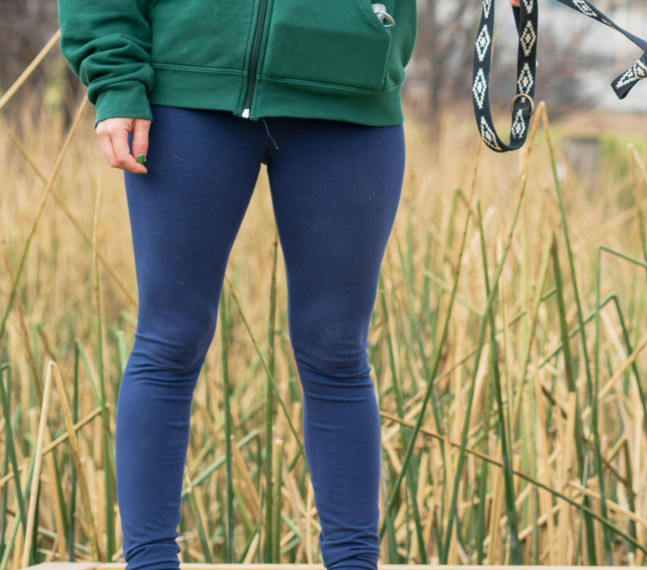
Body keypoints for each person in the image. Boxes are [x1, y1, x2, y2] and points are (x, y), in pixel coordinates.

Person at [54, 0, 518, 567]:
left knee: (336, 350)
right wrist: (116, 79)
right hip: (189, 88)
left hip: (348, 99)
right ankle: (149, 561)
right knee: (169, 338)